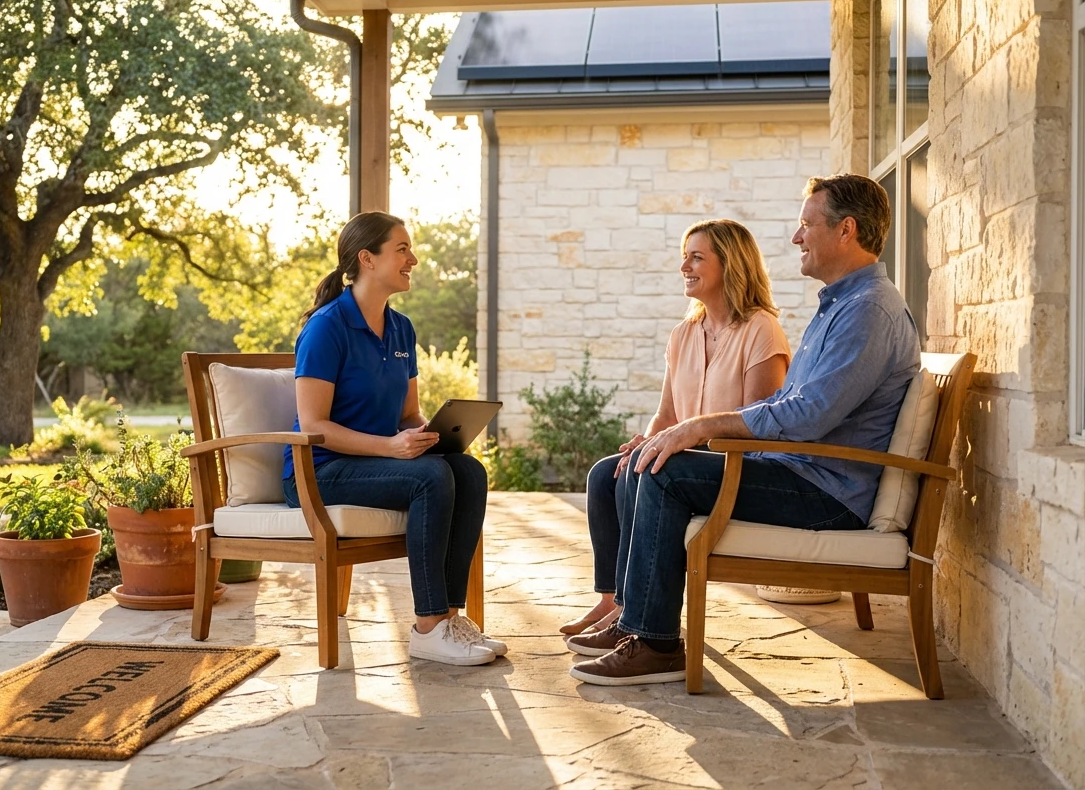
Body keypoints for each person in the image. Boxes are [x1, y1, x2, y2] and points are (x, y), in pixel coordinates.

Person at [569, 173, 920, 686]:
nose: (797, 238)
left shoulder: (867, 310)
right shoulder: (842, 306)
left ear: (846, 231)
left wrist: (702, 426)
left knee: (664, 473)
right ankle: (635, 622)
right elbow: (791, 401)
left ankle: (655, 642)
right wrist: (679, 431)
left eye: (806, 225)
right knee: (647, 463)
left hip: (829, 493)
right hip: (807, 473)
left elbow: (809, 415)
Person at [282, 212, 502, 667]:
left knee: (468, 471)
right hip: (321, 471)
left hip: (373, 463)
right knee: (431, 479)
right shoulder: (328, 327)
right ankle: (427, 626)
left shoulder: (401, 328)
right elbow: (313, 427)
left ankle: (450, 619)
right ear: (367, 259)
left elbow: (406, 414)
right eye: (402, 249)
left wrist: (424, 434)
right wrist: (391, 448)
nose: (413, 259)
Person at [559, 220, 790, 642]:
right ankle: (615, 600)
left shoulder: (760, 329)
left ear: (731, 264)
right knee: (606, 473)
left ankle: (632, 610)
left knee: (643, 471)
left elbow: (760, 427)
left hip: (730, 469)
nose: (684, 265)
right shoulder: (683, 334)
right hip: (680, 457)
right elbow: (666, 415)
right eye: (685, 255)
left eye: (697, 256)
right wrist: (647, 441)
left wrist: (678, 444)